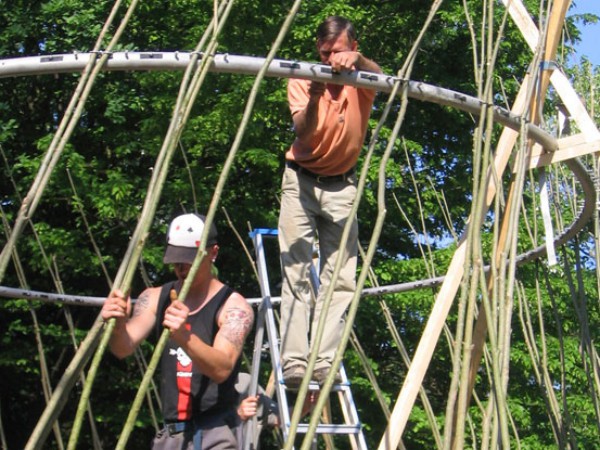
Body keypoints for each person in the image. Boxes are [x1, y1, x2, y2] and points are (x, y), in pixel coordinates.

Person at [278, 16, 382, 387]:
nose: (330, 60)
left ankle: (322, 361)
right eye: (324, 53)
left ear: (352, 47)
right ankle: (294, 362)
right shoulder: (304, 77)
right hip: (301, 182)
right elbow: (303, 132)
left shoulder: (361, 77)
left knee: (340, 279)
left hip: (343, 187)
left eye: (336, 52)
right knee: (296, 271)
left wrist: (357, 63)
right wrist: (320, 89)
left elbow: (381, 75)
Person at [101, 213, 254, 450]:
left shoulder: (233, 306)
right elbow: (122, 348)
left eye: (190, 259)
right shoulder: (154, 297)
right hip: (171, 435)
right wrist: (118, 323)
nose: (181, 267)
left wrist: (185, 337)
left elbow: (223, 368)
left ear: (213, 253)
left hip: (216, 432)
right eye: (176, 258)